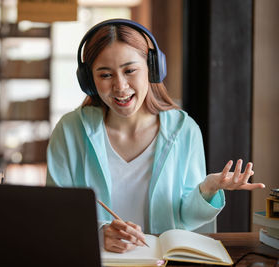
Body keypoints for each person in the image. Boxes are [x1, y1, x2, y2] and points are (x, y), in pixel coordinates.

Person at [46, 19, 265, 253]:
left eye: (130, 70)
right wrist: (99, 234)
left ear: (152, 68)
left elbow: (187, 220)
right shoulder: (69, 131)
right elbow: (54, 215)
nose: (120, 86)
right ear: (88, 80)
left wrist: (207, 190)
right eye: (105, 75)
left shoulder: (184, 130)